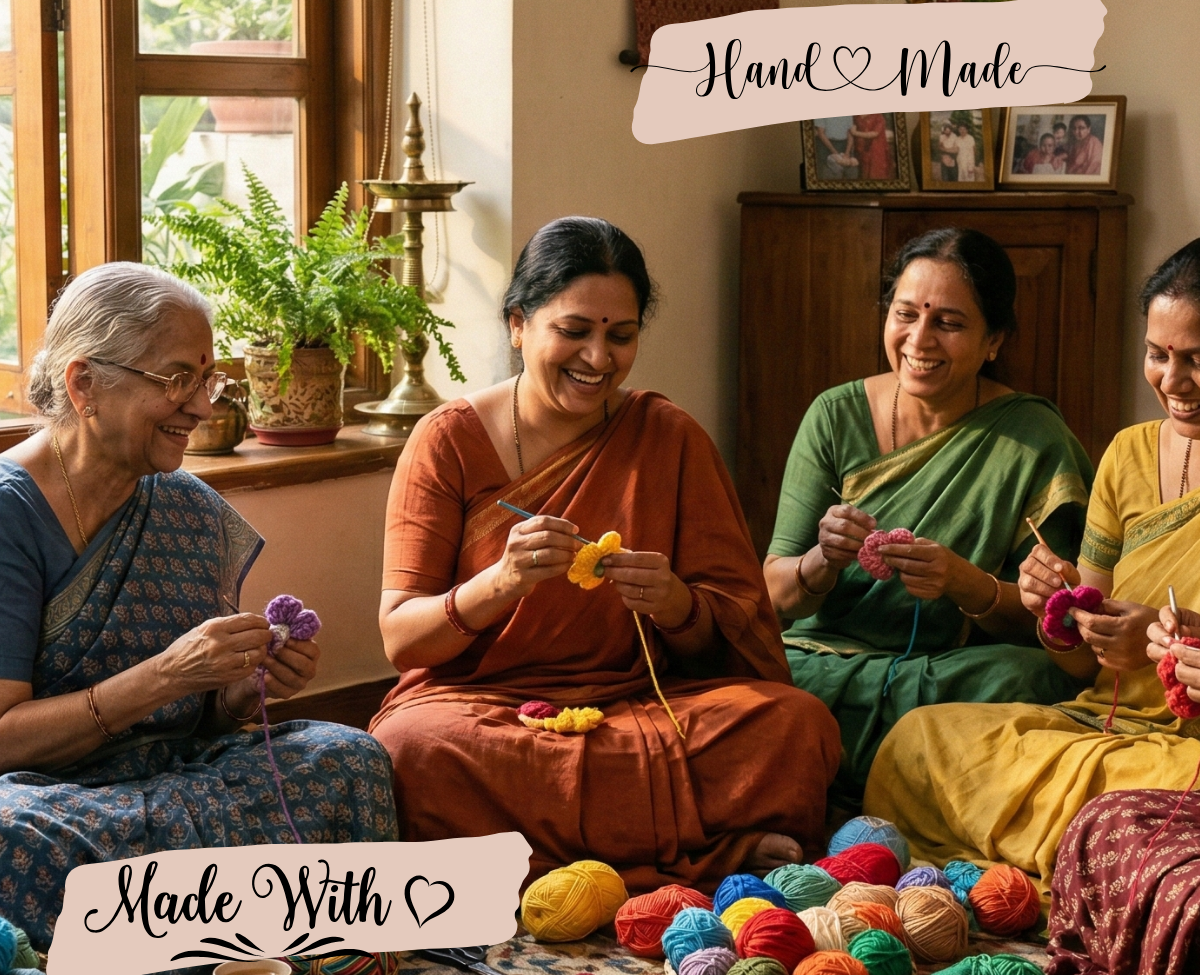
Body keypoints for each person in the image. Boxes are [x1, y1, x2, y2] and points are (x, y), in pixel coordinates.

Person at [369, 217, 841, 891]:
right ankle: (710, 851)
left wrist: (678, 605)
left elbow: (740, 627)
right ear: (517, 324)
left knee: (797, 727)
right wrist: (500, 583)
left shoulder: (668, 436)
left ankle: (529, 867)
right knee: (407, 750)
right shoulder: (446, 440)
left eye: (621, 337)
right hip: (485, 707)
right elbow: (401, 640)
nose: (598, 358)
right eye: (574, 331)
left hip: (638, 701)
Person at [0, 263, 399, 969]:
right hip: (48, 795)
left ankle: (200, 952)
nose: (202, 406)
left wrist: (242, 691)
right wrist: (162, 676)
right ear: (84, 383)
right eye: (176, 379)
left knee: (349, 760)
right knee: (11, 836)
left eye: (208, 379)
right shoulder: (8, 513)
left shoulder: (185, 507)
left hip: (172, 770)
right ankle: (241, 949)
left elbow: (202, 717)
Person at [864, 238, 1200, 895]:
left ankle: (1076, 861)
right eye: (1157, 356)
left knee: (1140, 801)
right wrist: (1063, 616)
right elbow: (1082, 664)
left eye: (1196, 360)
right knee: (919, 742)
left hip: (1183, 753)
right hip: (1106, 728)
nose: (1172, 380)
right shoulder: (1129, 454)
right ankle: (1095, 864)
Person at [764, 228, 1092, 806]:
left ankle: (835, 771)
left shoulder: (1034, 438)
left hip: (952, 668)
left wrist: (963, 582)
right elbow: (772, 596)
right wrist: (822, 560)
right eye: (906, 313)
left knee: (1038, 680)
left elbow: (1056, 623)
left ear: (993, 340)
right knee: (757, 676)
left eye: (949, 322)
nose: (920, 339)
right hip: (825, 660)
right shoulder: (834, 416)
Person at [849, 114, 895, 180]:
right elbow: (850, 128)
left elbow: (875, 133)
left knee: (875, 173)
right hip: (860, 148)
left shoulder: (878, 117)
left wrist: (855, 133)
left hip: (876, 149)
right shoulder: (855, 116)